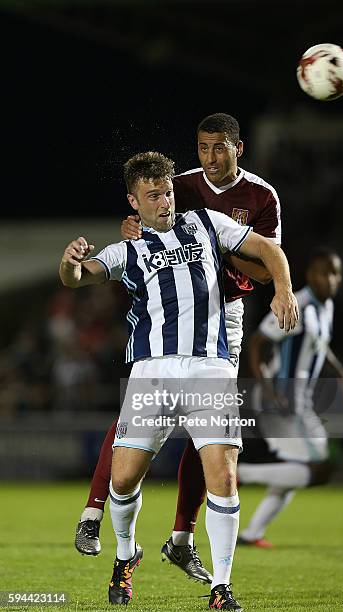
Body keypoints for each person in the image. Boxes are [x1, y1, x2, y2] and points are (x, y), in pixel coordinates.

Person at [60, 151, 298, 609]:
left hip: (210, 368)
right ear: (134, 202)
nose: (166, 201)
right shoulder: (125, 249)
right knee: (124, 481)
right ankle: (126, 556)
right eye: (154, 196)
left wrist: (283, 290)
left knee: (224, 476)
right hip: (153, 373)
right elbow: (77, 279)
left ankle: (222, 587)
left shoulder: (207, 222)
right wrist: (70, 263)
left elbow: (268, 248)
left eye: (168, 191)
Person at [236, 247, 343, 547]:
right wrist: (268, 389)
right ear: (310, 275)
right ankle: (239, 473)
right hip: (283, 400)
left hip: (299, 402)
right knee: (319, 469)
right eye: (323, 273)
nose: (329, 280)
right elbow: (257, 342)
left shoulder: (325, 307)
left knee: (300, 468)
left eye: (335, 274)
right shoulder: (300, 304)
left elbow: (322, 347)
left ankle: (253, 532)